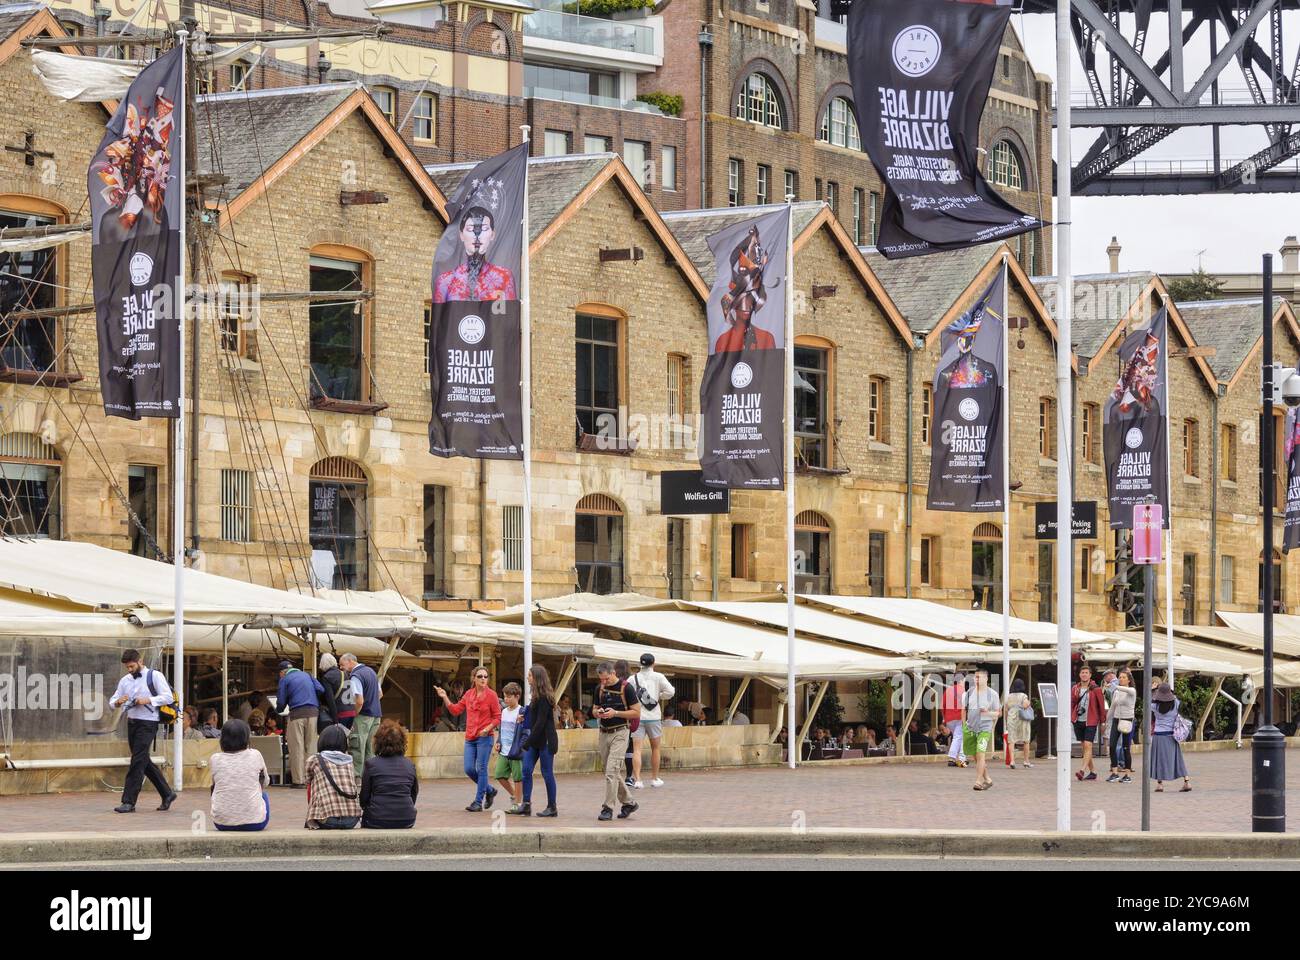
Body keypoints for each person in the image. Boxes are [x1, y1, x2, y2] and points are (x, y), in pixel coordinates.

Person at [108, 649, 176, 814]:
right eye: (127, 667)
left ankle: (128, 801)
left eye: (131, 666)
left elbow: (168, 697)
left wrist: (148, 700)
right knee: (142, 760)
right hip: (132, 722)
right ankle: (167, 793)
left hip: (148, 722)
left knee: (137, 761)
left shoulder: (155, 676)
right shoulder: (125, 680)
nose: (130, 670)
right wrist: (118, 702)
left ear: (140, 661)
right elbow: (112, 701)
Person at [435, 666, 501, 812]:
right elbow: (455, 710)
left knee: (481, 769)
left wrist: (488, 729)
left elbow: (497, 717)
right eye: (480, 676)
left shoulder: (492, 695)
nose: (483, 679)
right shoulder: (469, 694)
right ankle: (490, 790)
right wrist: (445, 696)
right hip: (470, 737)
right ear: (473, 678)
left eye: (485, 676)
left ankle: (478, 801)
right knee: (469, 769)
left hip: (485, 737)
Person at [433, 206, 517, 302]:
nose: (477, 235)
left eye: (484, 229)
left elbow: (508, 314)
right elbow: (440, 314)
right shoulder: (445, 281)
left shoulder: (503, 277)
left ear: (492, 235)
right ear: (461, 235)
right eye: (470, 229)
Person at [592, 661, 639, 822]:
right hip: (604, 733)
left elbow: (636, 712)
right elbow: (593, 708)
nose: (603, 683)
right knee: (609, 770)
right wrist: (598, 713)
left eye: (606, 679)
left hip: (621, 732)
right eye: (601, 680)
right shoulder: (599, 689)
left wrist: (616, 713)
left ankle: (607, 808)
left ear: (613, 673)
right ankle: (629, 803)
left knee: (612, 770)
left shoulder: (627, 688)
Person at [209, 719, 270, 831]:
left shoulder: (215, 759)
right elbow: (266, 782)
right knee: (264, 795)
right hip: (256, 823)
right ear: (246, 738)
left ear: (222, 739)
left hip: (222, 823)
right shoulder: (256, 755)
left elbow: (214, 785)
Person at [515, 664, 559, 818]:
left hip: (545, 740)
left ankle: (552, 807)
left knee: (547, 773)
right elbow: (533, 716)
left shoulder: (545, 698)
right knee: (526, 770)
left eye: (530, 675)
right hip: (535, 740)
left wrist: (526, 743)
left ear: (537, 678)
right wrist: (524, 716)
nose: (527, 678)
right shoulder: (535, 696)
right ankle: (526, 804)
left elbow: (541, 723)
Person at [360, 720, 419, 829]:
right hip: (407, 818)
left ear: (378, 742)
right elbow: (413, 794)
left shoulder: (371, 764)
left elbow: (364, 798)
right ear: (403, 742)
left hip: (376, 818)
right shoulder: (410, 765)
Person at [629, 652, 676, 789]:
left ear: (640, 664)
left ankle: (637, 780)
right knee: (655, 748)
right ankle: (654, 778)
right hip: (654, 717)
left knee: (637, 749)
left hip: (637, 717)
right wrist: (659, 696)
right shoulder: (658, 677)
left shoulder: (633, 678)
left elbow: (627, 694)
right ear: (653, 663)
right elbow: (671, 692)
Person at [276, 659, 324, 789]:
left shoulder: (285, 679)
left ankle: (298, 781)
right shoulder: (307, 675)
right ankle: (311, 778)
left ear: (282, 672)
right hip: (313, 713)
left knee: (296, 747)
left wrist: (278, 710)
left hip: (297, 714)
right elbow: (320, 689)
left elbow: (280, 702)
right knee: (311, 746)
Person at [305, 723, 362, 829]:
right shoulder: (350, 761)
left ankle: (314, 815)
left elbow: (307, 781)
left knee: (312, 783)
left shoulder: (314, 759)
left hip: (327, 820)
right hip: (352, 819)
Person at [342, 653, 383, 777]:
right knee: (371, 748)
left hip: (363, 715)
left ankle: (357, 777)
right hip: (376, 715)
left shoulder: (356, 676)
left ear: (350, 661)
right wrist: (372, 704)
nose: (341, 668)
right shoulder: (371, 672)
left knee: (357, 747)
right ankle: (370, 776)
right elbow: (380, 694)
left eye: (342, 664)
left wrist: (354, 714)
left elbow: (359, 701)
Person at [963, 668, 1001, 791]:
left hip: (985, 728)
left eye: (979, 677)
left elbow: (999, 713)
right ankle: (988, 779)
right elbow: (964, 709)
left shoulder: (993, 694)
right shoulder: (969, 692)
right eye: (976, 677)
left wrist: (988, 712)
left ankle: (978, 781)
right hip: (970, 727)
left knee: (981, 753)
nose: (977, 680)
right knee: (976, 756)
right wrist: (964, 724)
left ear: (986, 678)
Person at [1150, 682, 1191, 792]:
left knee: (1159, 760)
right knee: (1178, 759)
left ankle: (1160, 785)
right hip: (1172, 735)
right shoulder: (1176, 704)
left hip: (1159, 735)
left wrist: (1153, 690)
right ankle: (1186, 781)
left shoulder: (1154, 706)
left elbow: (1151, 700)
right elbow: (1175, 697)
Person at [1071, 665, 1106, 782]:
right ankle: (1093, 772)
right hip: (1078, 720)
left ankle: (1082, 770)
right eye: (1082, 672)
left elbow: (1101, 706)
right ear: (1080, 675)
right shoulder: (1075, 688)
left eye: (1086, 672)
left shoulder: (1096, 689)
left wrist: (1103, 722)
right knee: (1085, 747)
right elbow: (1072, 703)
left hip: (1091, 720)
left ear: (1090, 675)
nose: (1084, 674)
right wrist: (1071, 716)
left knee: (1088, 745)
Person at [495, 682, 526, 813]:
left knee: (518, 778)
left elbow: (526, 731)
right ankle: (514, 795)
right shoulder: (503, 711)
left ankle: (518, 804)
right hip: (504, 750)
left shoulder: (522, 711)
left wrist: (521, 722)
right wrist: (498, 741)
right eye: (505, 696)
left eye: (509, 697)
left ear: (517, 696)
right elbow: (501, 728)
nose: (506, 699)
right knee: (499, 775)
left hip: (516, 751)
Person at [1106, 668, 1137, 783]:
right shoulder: (1117, 692)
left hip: (1127, 720)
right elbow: (1112, 707)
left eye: (1124, 677)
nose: (1121, 679)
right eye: (1120, 677)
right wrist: (1105, 720)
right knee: (1112, 746)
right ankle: (1114, 773)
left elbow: (1129, 691)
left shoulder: (1132, 690)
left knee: (1125, 747)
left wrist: (1114, 686)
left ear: (1129, 680)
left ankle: (1127, 774)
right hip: (1116, 719)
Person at [1003, 678, 1034, 769]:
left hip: (1011, 718)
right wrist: (1028, 703)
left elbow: (1005, 709)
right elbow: (1025, 705)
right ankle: (1026, 761)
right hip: (1022, 719)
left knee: (1011, 741)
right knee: (1026, 740)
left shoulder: (1009, 696)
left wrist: (1006, 720)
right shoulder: (1023, 695)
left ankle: (1012, 761)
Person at [942, 674, 967, 768]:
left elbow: (943, 705)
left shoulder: (948, 690)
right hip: (959, 717)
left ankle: (960, 758)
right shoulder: (963, 691)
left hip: (949, 718)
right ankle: (954, 757)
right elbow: (966, 706)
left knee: (957, 737)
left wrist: (944, 717)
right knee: (959, 737)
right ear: (961, 680)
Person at [316, 653, 346, 733]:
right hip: (351, 712)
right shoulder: (345, 674)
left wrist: (335, 720)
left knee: (338, 740)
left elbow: (330, 700)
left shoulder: (327, 677)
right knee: (348, 740)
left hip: (340, 714)